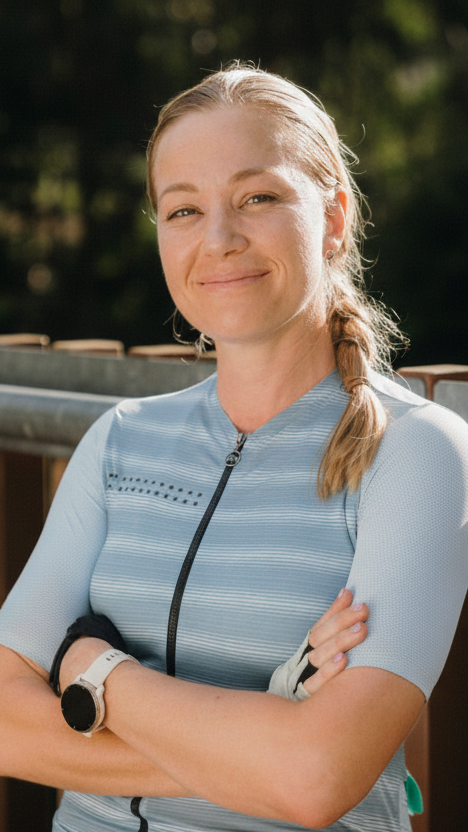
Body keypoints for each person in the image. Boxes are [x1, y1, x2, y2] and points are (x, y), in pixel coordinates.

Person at [0, 62, 467, 832]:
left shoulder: (417, 454)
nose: (218, 239)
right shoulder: (119, 442)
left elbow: (317, 779)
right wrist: (269, 729)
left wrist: (93, 670)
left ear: (334, 217)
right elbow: (6, 724)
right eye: (183, 210)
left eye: (258, 198)